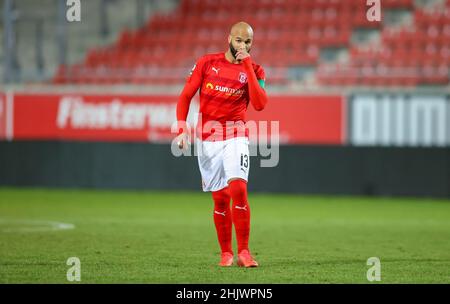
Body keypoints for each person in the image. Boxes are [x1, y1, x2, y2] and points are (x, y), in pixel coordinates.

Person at [175, 21, 268, 267]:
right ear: (229, 38)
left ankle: (244, 252)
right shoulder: (207, 63)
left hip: (236, 135)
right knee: (220, 198)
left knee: (238, 188)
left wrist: (247, 64)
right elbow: (185, 96)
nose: (243, 45)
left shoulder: (256, 70)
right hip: (207, 139)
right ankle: (226, 253)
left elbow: (259, 104)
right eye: (239, 40)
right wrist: (182, 128)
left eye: (248, 42)